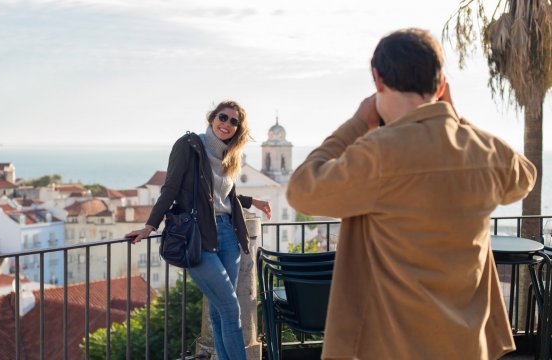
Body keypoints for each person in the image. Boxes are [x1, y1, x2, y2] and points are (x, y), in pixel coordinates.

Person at [287, 28, 536, 360]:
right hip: (468, 345)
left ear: (377, 79)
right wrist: (457, 119)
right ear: (441, 85)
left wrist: (357, 123)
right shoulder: (482, 151)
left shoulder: (378, 153)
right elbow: (524, 176)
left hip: (395, 346)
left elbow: (303, 189)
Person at [127, 100, 271, 360]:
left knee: (219, 311)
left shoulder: (230, 156)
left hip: (228, 233)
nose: (226, 124)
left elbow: (222, 195)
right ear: (212, 118)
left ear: (238, 129)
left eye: (233, 121)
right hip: (197, 236)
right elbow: (170, 188)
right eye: (223, 117)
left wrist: (253, 202)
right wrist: (151, 225)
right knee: (230, 308)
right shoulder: (190, 146)